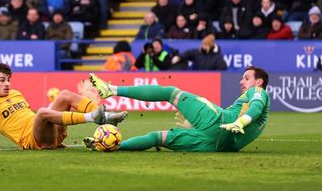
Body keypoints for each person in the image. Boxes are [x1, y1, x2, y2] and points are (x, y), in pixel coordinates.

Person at [85, 65, 270, 152]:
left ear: (259, 82)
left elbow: (255, 106)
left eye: (246, 78)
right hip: (216, 145)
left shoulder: (259, 91)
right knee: (157, 138)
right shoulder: (261, 117)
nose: (241, 81)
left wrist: (241, 121)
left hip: (218, 120)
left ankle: (112, 89)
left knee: (171, 93)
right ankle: (110, 146)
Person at [0, 62, 127, 151]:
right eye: (2, 80)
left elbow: (29, 117)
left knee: (64, 95)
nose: (7, 84)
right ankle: (93, 118)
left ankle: (106, 116)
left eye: (8, 79)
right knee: (42, 113)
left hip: (49, 134)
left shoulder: (15, 93)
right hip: (34, 142)